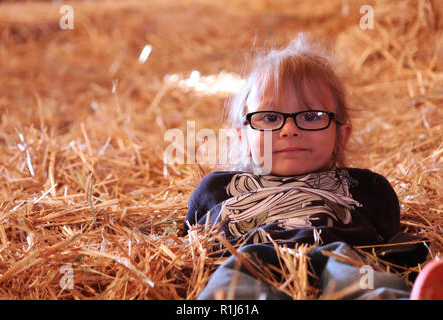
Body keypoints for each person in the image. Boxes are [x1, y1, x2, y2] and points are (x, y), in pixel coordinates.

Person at [182, 34, 431, 300]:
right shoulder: (218, 188)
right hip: (249, 258)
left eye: (311, 116)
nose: (289, 130)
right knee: (231, 283)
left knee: (361, 277)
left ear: (341, 136)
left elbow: (389, 245)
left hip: (338, 254)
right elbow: (189, 248)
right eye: (269, 117)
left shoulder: (366, 186)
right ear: (243, 137)